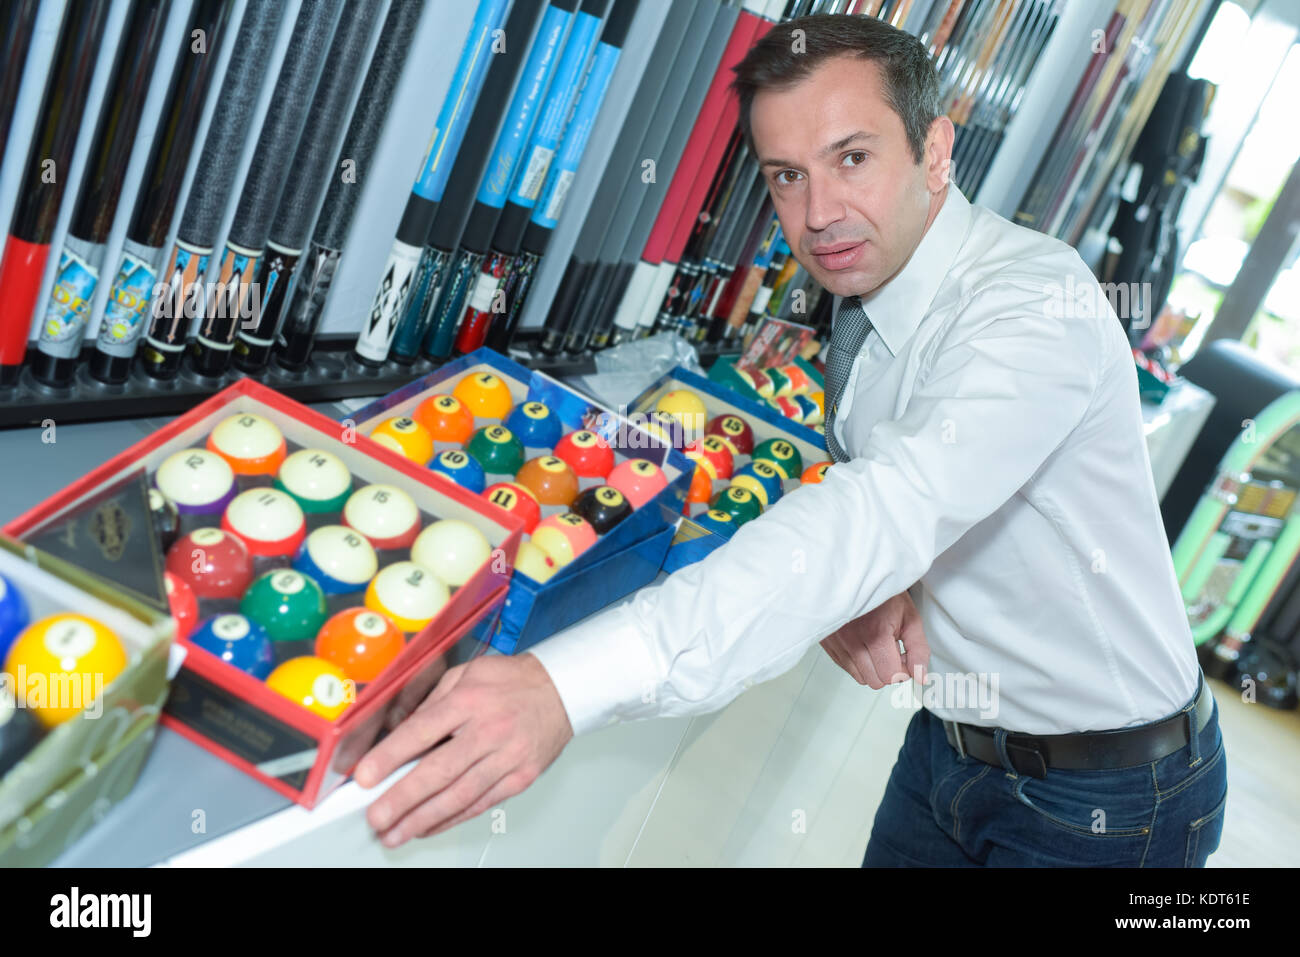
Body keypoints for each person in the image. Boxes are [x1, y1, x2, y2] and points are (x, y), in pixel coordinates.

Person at [354, 13, 1227, 866]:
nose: (817, 214)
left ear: (934, 149)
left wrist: (563, 686)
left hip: (1112, 796)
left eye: (852, 158)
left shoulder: (1031, 306)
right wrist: (889, 587)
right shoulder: (873, 288)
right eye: (786, 176)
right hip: (952, 745)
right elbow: (920, 497)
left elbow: (887, 505)